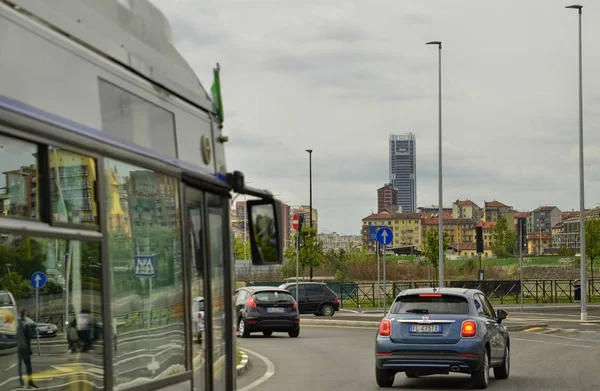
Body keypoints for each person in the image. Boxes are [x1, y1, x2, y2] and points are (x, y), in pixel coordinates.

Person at [17, 309, 38, 389]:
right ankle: (30, 382)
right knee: (28, 365)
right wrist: (29, 349)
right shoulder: (27, 324)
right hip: (25, 347)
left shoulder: (17, 323)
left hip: (19, 347)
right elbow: (28, 338)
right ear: (25, 314)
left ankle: (21, 383)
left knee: (19, 365)